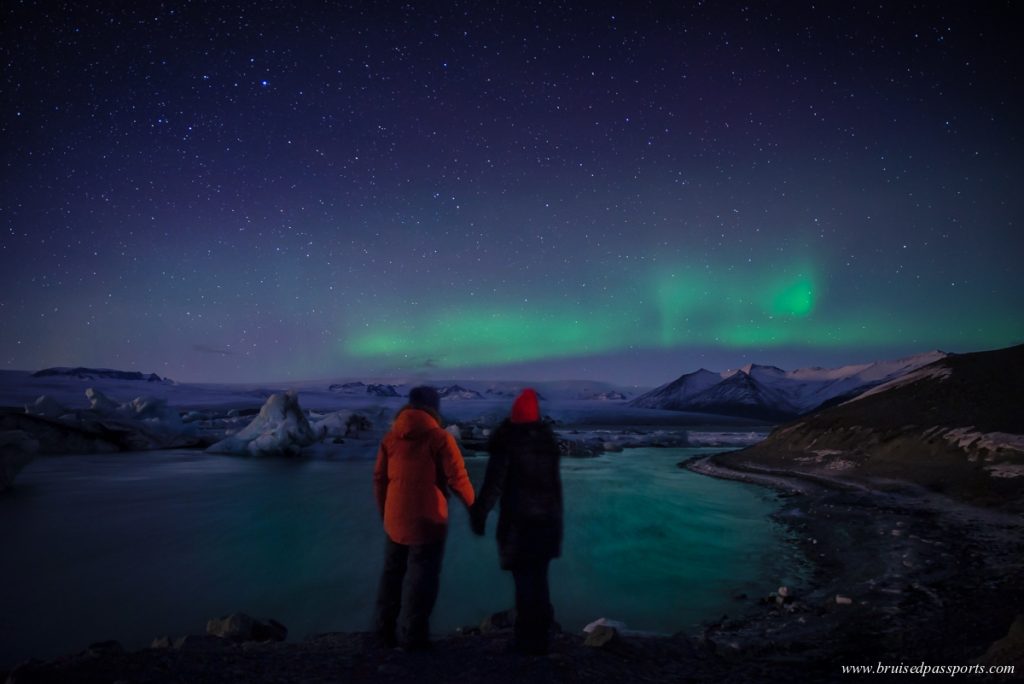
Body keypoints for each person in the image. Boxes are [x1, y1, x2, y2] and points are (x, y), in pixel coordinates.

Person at [373, 385, 475, 649]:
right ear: (434, 408)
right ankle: (413, 637)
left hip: (394, 519)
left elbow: (379, 479)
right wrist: (475, 507)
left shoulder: (390, 438)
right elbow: (458, 478)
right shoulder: (439, 438)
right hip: (428, 521)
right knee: (422, 577)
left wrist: (385, 512)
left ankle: (383, 633)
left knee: (392, 574)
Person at [470, 388, 563, 655]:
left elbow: (493, 484)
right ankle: (542, 636)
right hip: (546, 524)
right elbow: (553, 489)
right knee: (539, 580)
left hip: (520, 526)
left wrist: (480, 515)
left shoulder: (508, 443)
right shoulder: (547, 444)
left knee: (524, 582)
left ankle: (527, 641)